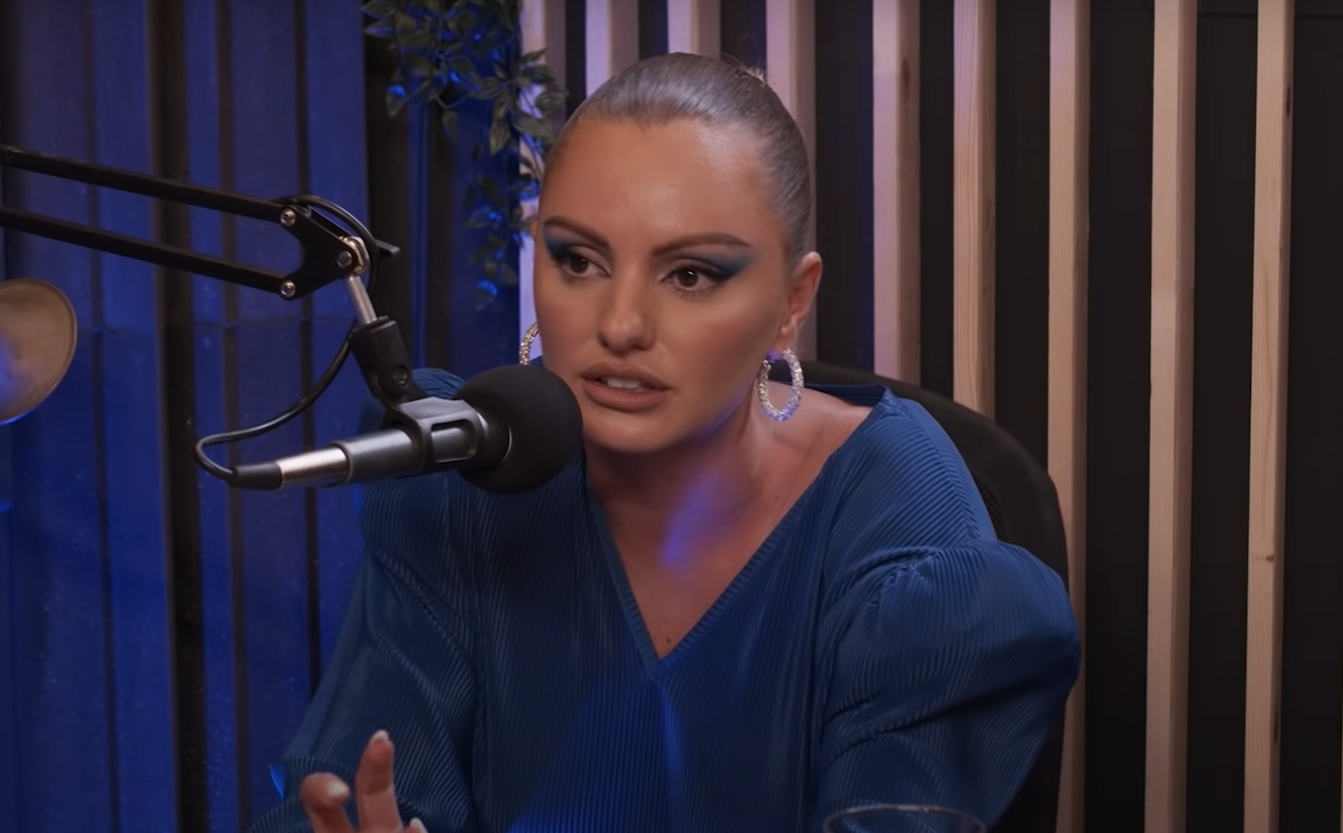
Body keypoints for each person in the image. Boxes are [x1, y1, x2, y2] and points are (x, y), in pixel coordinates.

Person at [246, 52, 1080, 833]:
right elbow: (359, 788)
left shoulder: (901, 522)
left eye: (689, 274)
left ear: (793, 300)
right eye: (579, 261)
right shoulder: (460, 481)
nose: (619, 325)